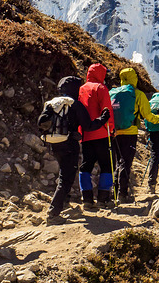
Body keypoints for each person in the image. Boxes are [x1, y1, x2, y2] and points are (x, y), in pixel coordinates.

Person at [37, 76, 111, 224]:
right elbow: (88, 126)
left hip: (54, 144)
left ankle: (64, 205)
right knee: (66, 178)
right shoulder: (74, 104)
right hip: (69, 144)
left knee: (64, 174)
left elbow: (41, 123)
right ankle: (53, 213)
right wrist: (103, 118)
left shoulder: (52, 103)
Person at [110, 67, 159, 204]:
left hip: (114, 133)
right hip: (130, 132)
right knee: (125, 163)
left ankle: (113, 193)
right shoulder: (137, 94)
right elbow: (147, 115)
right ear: (134, 78)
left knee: (117, 162)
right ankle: (122, 194)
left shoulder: (113, 92)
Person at [78, 64, 115, 210]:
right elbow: (107, 110)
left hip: (86, 134)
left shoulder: (81, 89)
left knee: (86, 165)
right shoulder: (101, 88)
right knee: (106, 165)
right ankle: (103, 199)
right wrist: (111, 129)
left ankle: (87, 198)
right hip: (102, 133)